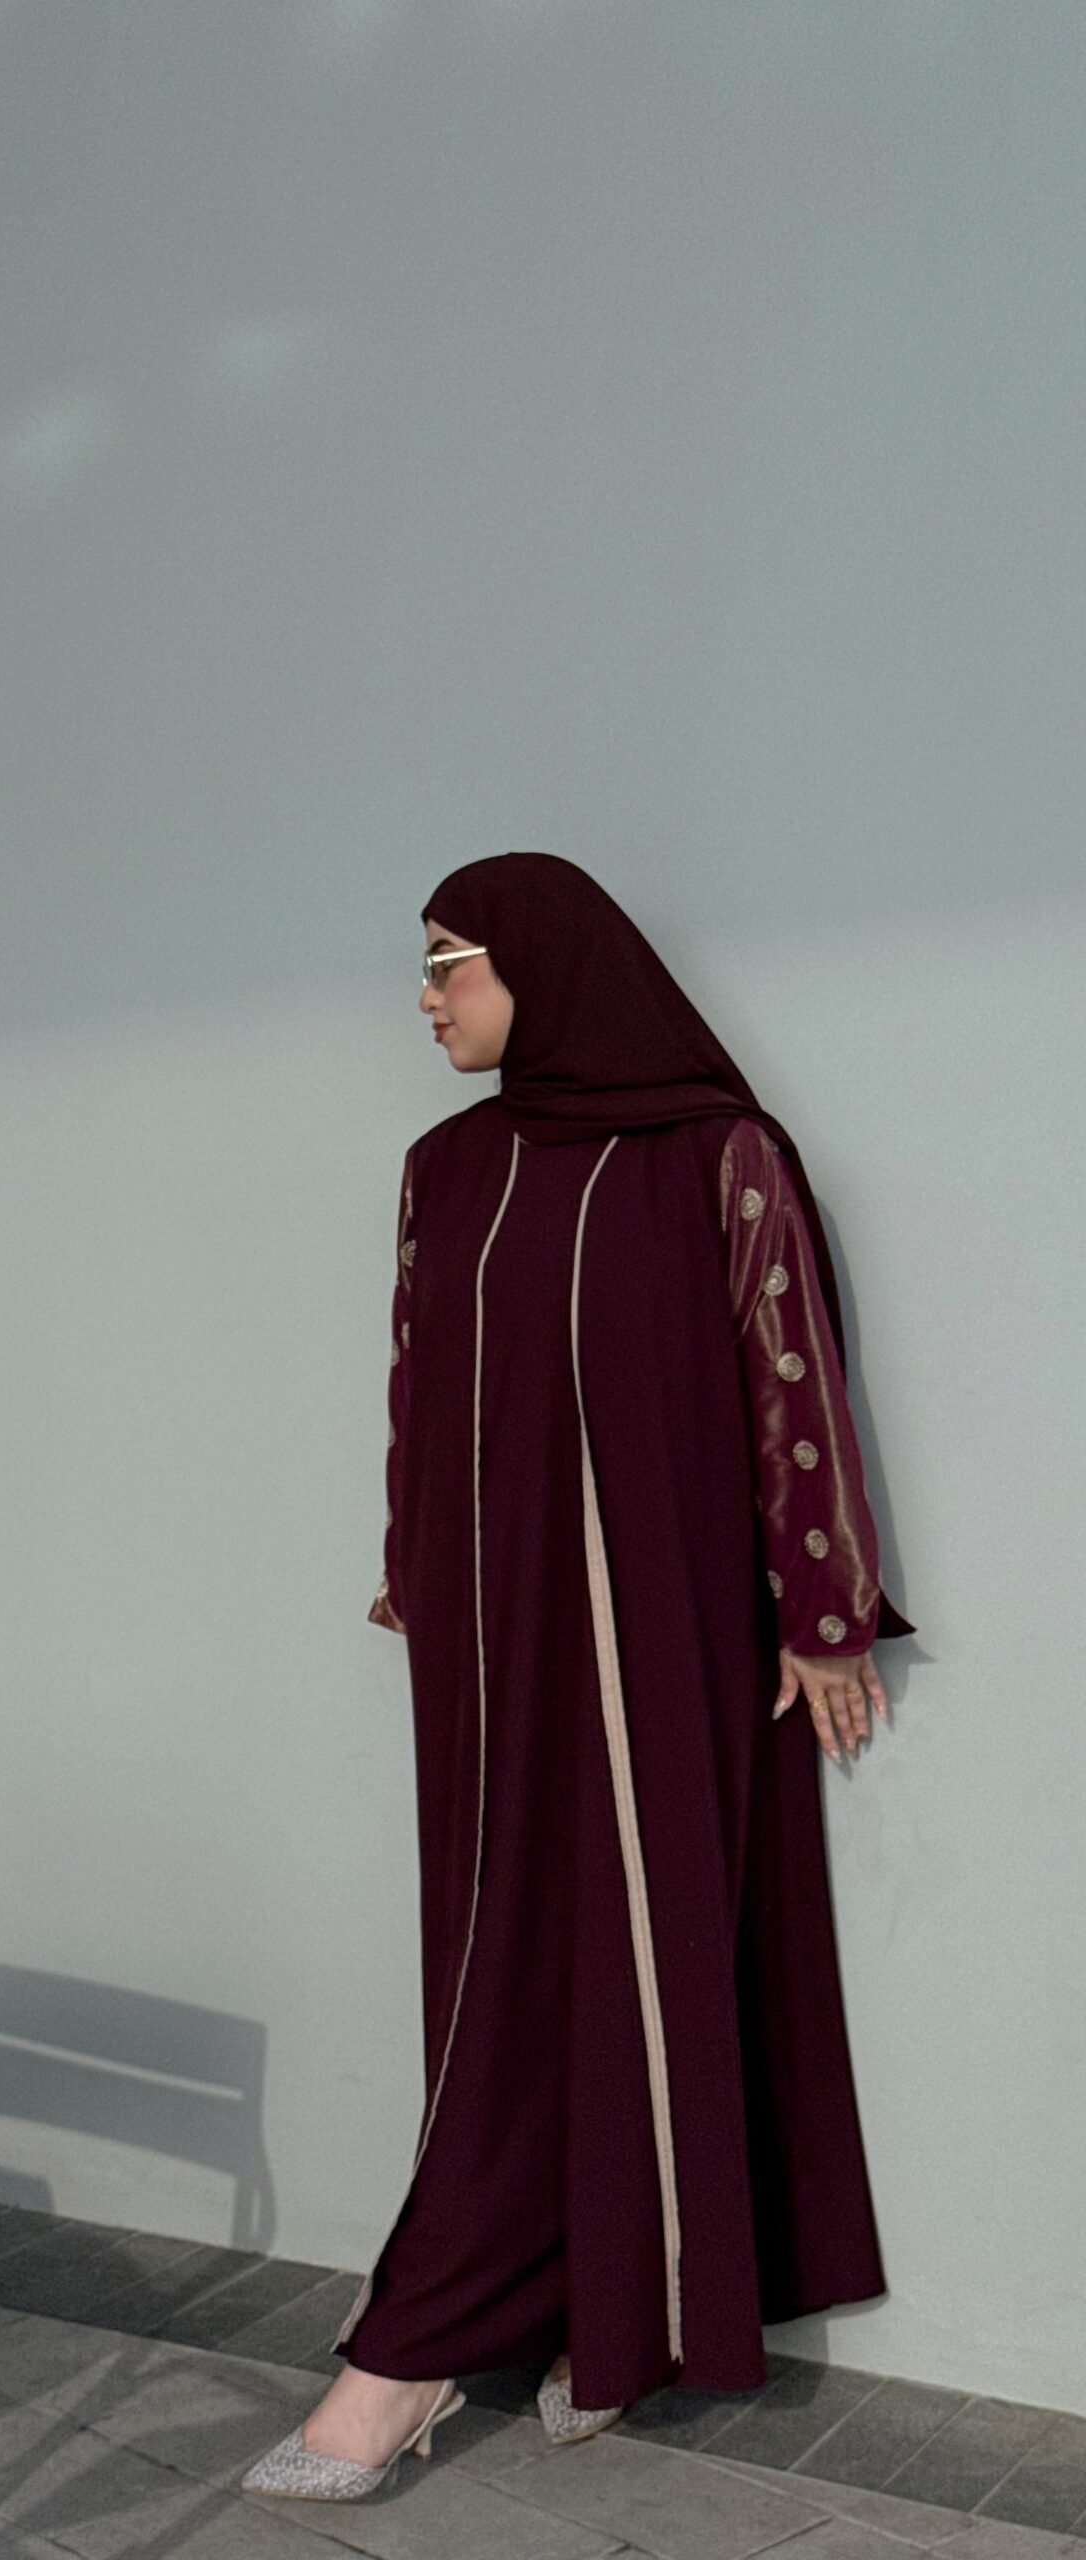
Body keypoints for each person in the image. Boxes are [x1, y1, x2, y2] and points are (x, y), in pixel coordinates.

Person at [242, 850, 916, 2506]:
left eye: (449, 961)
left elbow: (792, 1380)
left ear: (545, 965)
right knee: (501, 1959)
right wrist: (415, 1568)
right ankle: (508, 2312)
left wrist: (824, 1610)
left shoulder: (718, 1156)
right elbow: (417, 1385)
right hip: (487, 1644)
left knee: (641, 1951)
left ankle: (573, 2325)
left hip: (663, 1639)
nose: (425, 998)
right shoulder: (446, 1169)